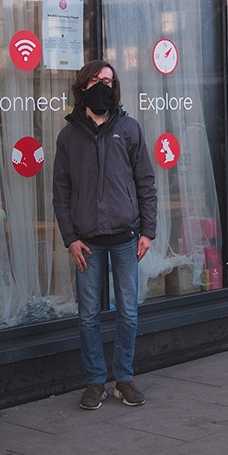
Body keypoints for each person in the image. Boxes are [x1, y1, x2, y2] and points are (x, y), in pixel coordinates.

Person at [53, 60, 157, 411]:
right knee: (87, 316)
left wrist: (149, 231)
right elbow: (61, 191)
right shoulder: (69, 135)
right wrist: (70, 238)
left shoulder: (128, 128)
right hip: (87, 242)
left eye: (109, 81)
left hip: (126, 238)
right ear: (82, 86)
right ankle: (95, 381)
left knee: (128, 312)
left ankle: (123, 378)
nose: (103, 86)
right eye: (97, 80)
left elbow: (145, 180)